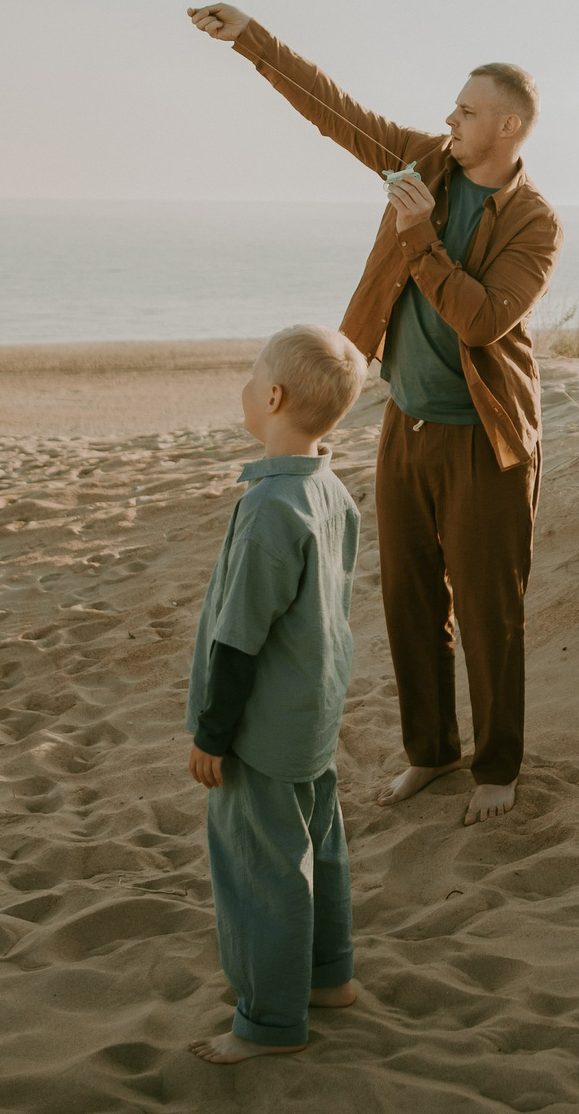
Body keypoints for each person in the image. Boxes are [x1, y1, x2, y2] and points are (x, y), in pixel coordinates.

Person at [187, 2, 560, 828]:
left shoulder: (534, 222)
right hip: (408, 425)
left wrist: (422, 238)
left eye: (465, 111)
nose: (449, 120)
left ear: (505, 126)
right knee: (410, 600)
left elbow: (480, 321)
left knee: (491, 609)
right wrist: (251, 38)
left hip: (487, 441)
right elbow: (335, 112)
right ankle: (432, 752)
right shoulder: (424, 162)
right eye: (451, 109)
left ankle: (498, 766)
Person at [183, 324, 370, 1064]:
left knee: (261, 870)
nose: (246, 382)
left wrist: (212, 733)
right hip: (314, 712)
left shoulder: (268, 510)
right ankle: (329, 978)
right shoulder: (330, 492)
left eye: (251, 371)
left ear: (272, 395)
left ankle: (267, 1023)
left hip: (260, 728)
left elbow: (238, 638)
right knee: (320, 849)